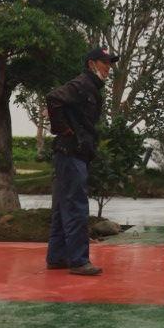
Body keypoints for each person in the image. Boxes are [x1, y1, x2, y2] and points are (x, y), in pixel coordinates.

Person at [44, 44, 116, 276]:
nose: (108, 67)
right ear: (91, 64)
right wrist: (62, 128)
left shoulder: (91, 86)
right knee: (76, 207)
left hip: (72, 153)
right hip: (71, 152)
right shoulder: (82, 84)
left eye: (109, 63)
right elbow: (53, 98)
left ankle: (57, 257)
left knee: (62, 208)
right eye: (104, 63)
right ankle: (79, 261)